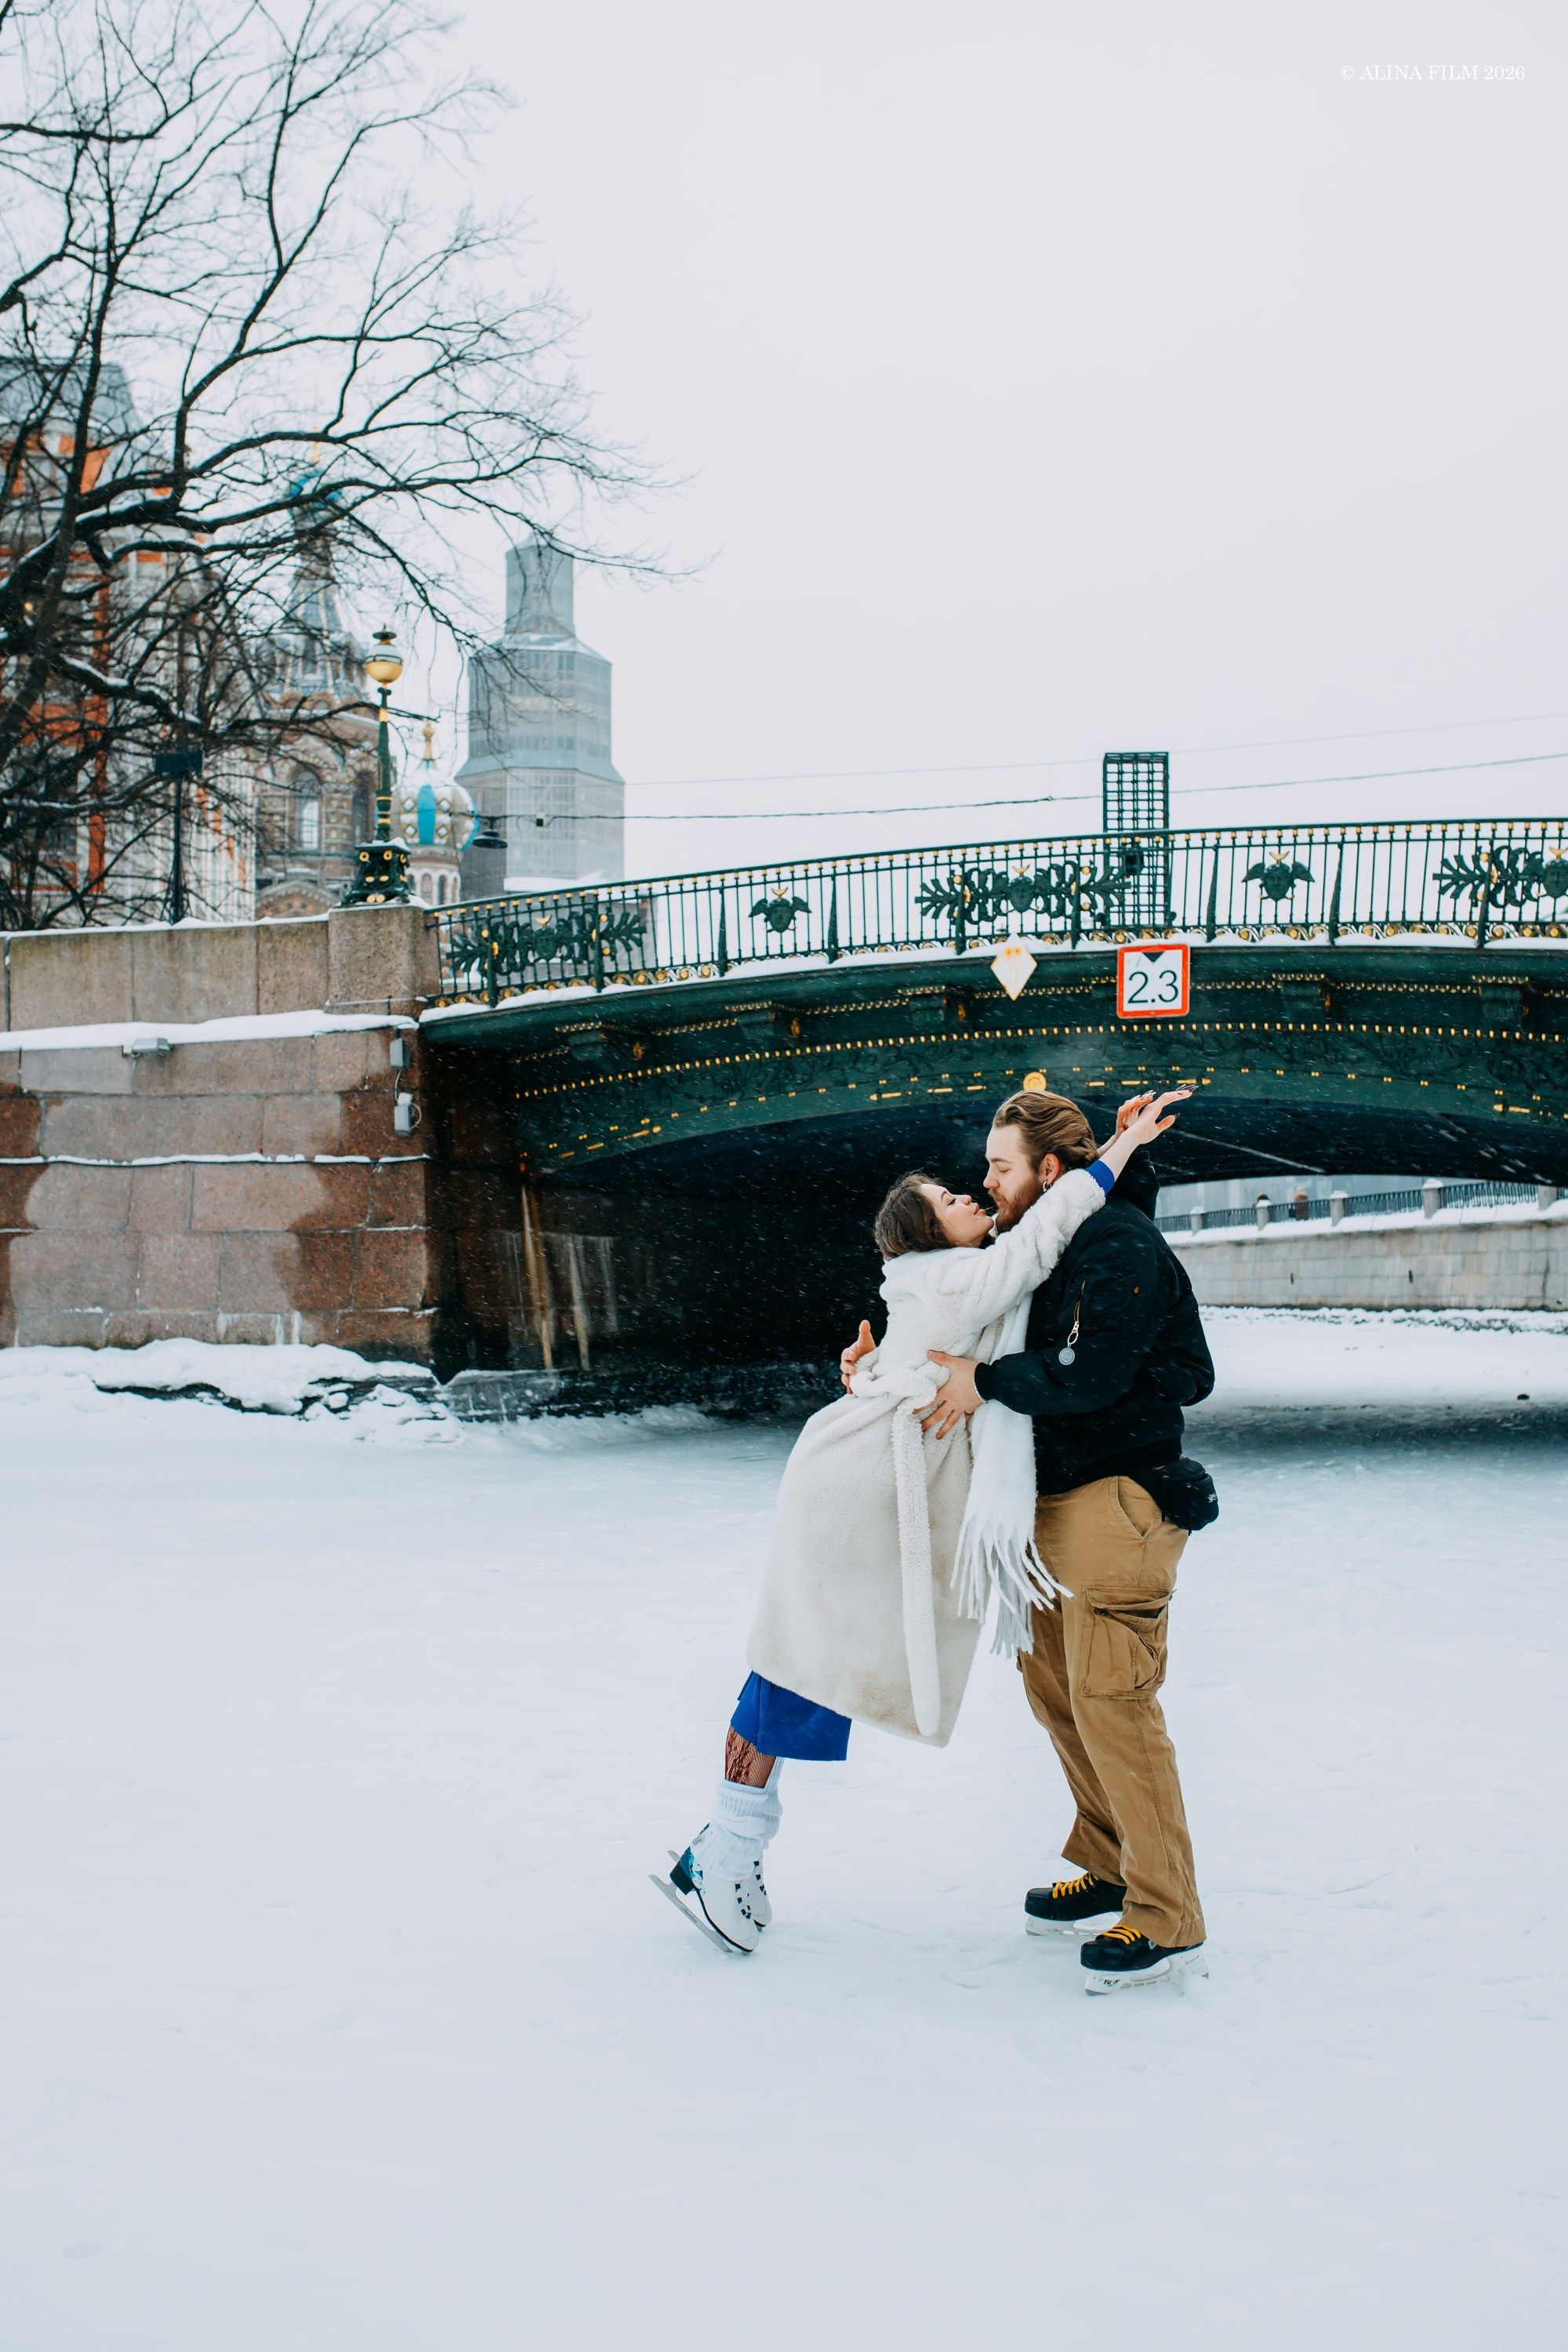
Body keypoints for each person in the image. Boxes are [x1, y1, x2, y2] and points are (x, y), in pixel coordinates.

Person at [652, 1090, 1189, 1957]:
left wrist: (877, 1372)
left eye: (988, 1174)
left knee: (803, 1661)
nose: (974, 1191)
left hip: (870, 1480)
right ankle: (725, 1849)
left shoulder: (954, 1279)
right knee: (800, 1667)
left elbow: (1020, 1281)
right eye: (954, 1198)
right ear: (931, 1237)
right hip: (864, 1492)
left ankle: (724, 1844)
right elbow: (1038, 1244)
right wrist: (1117, 1150)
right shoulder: (960, 1276)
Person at [889, 1087, 1217, 1994]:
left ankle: (1163, 1909)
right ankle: (1107, 1861)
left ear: (1049, 1171)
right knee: (1059, 1694)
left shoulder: (1117, 1243)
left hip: (1116, 1498)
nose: (985, 1184)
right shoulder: (1032, 1252)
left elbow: (1100, 1370)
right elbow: (953, 1320)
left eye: (999, 1168)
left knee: (1112, 1699)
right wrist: (880, 1364)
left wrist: (991, 1381)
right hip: (1044, 1503)